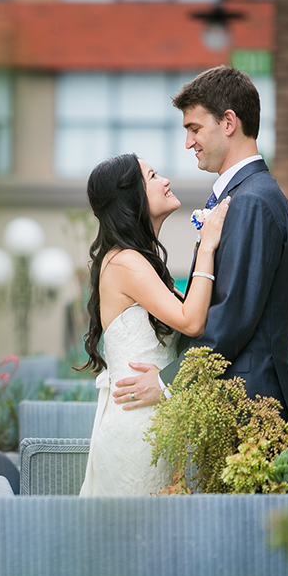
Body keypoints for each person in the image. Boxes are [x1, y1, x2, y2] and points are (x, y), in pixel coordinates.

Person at [112, 65, 288, 423]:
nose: (188, 142)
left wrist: (168, 383)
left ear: (228, 123)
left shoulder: (252, 202)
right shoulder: (244, 196)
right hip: (237, 402)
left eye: (194, 128)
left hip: (249, 407)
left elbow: (231, 318)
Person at [77, 153, 229, 496]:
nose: (166, 181)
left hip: (155, 426)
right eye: (153, 176)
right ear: (131, 196)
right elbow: (191, 321)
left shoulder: (139, 261)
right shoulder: (126, 262)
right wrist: (207, 248)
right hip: (137, 432)